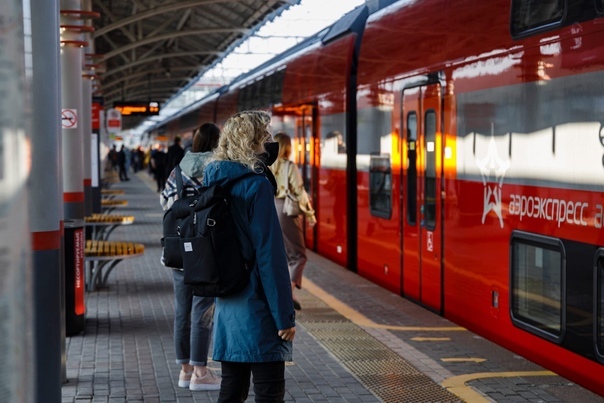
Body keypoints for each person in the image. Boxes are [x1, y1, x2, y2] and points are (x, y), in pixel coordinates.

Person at [202, 110, 296, 402]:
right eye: (265, 136)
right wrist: (284, 316)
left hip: (228, 302)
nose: (270, 141)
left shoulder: (213, 179)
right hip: (259, 305)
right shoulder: (256, 185)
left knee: (232, 389)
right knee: (269, 391)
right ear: (251, 141)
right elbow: (271, 257)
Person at [160, 123, 222, 391]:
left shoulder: (178, 171)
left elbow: (165, 203)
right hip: (206, 250)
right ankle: (201, 371)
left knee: (182, 310)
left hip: (179, 252)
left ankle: (185, 371)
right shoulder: (218, 170)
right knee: (202, 310)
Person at [270, 132, 317, 311]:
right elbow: (299, 191)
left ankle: (286, 292)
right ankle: (287, 292)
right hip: (286, 211)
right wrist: (310, 215)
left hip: (271, 209)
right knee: (298, 256)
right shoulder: (289, 166)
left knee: (282, 254)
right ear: (288, 147)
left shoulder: (268, 165)